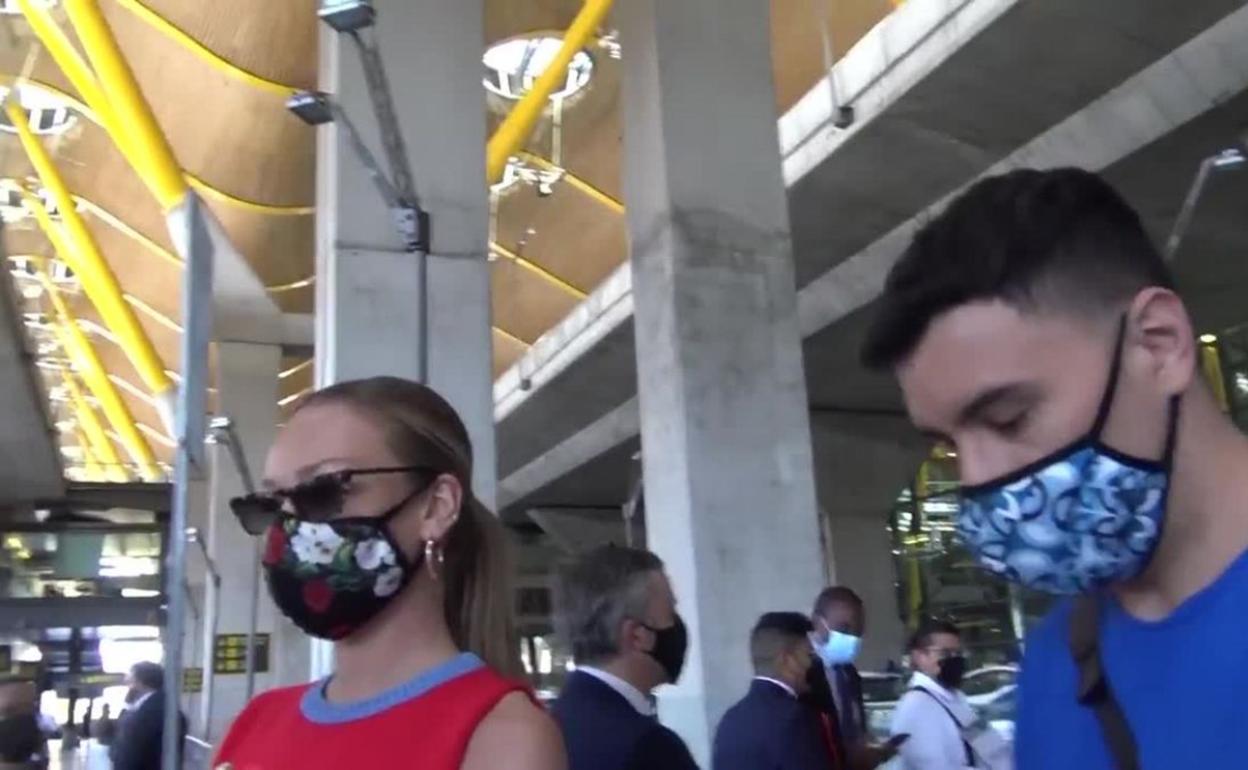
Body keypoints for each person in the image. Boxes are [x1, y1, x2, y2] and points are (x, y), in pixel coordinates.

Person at [860, 166, 1248, 768]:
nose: (977, 479)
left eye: (1009, 417)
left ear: (1159, 342)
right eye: (949, 448)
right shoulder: (1056, 670)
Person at [213, 377, 565, 770]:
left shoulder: (502, 738)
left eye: (324, 490)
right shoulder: (253, 722)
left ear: (436, 507)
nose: (290, 527)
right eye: (269, 505)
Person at [551, 544, 697, 770]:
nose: (677, 625)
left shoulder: (549, 726)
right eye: (670, 612)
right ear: (636, 636)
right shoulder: (650, 747)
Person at [713, 612, 835, 770]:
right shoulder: (796, 719)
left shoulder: (729, 720)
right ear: (788, 660)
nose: (812, 663)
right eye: (809, 655)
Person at [810, 587, 897, 770]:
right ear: (817, 621)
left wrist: (873, 748)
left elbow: (856, 728)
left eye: (858, 632)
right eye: (844, 628)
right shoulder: (801, 673)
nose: (852, 638)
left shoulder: (849, 673)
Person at [108, 662, 185, 770]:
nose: (126, 682)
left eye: (131, 679)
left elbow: (130, 751)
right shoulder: (147, 707)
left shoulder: (154, 712)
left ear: (141, 682)